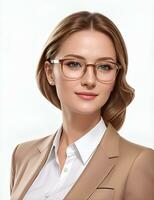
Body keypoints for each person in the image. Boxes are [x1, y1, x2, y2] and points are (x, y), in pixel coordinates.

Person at [10, 11, 154, 200]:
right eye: (74, 64)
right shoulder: (23, 155)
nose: (89, 80)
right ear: (50, 72)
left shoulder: (138, 162)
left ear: (116, 76)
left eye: (105, 67)